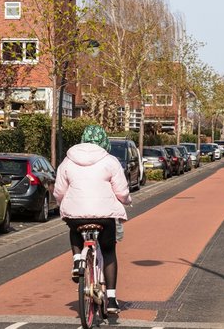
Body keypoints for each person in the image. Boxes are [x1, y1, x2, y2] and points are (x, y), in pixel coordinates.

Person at [53, 124, 132, 314]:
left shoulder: (67, 161)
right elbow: (121, 191)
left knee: (74, 230)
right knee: (108, 250)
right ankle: (111, 300)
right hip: (104, 216)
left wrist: (61, 202)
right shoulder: (110, 161)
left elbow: (59, 191)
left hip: (76, 215)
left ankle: (78, 260)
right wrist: (127, 200)